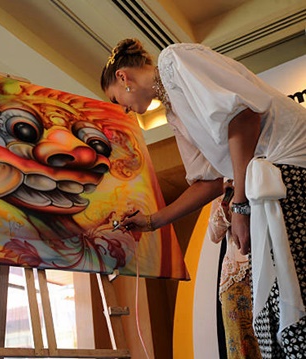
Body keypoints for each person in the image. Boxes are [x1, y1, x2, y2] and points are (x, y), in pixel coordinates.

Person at [100, 38, 306, 358]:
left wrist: (239, 205)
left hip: (292, 175)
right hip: (267, 189)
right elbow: (208, 182)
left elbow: (243, 117)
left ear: (123, 78)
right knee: (274, 316)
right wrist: (153, 221)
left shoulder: (175, 60)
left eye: (116, 100)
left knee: (293, 301)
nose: (123, 110)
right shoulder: (173, 114)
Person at [208, 179, 261, 358]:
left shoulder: (267, 168)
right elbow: (214, 235)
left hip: (267, 268)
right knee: (242, 346)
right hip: (236, 278)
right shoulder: (224, 186)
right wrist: (224, 200)